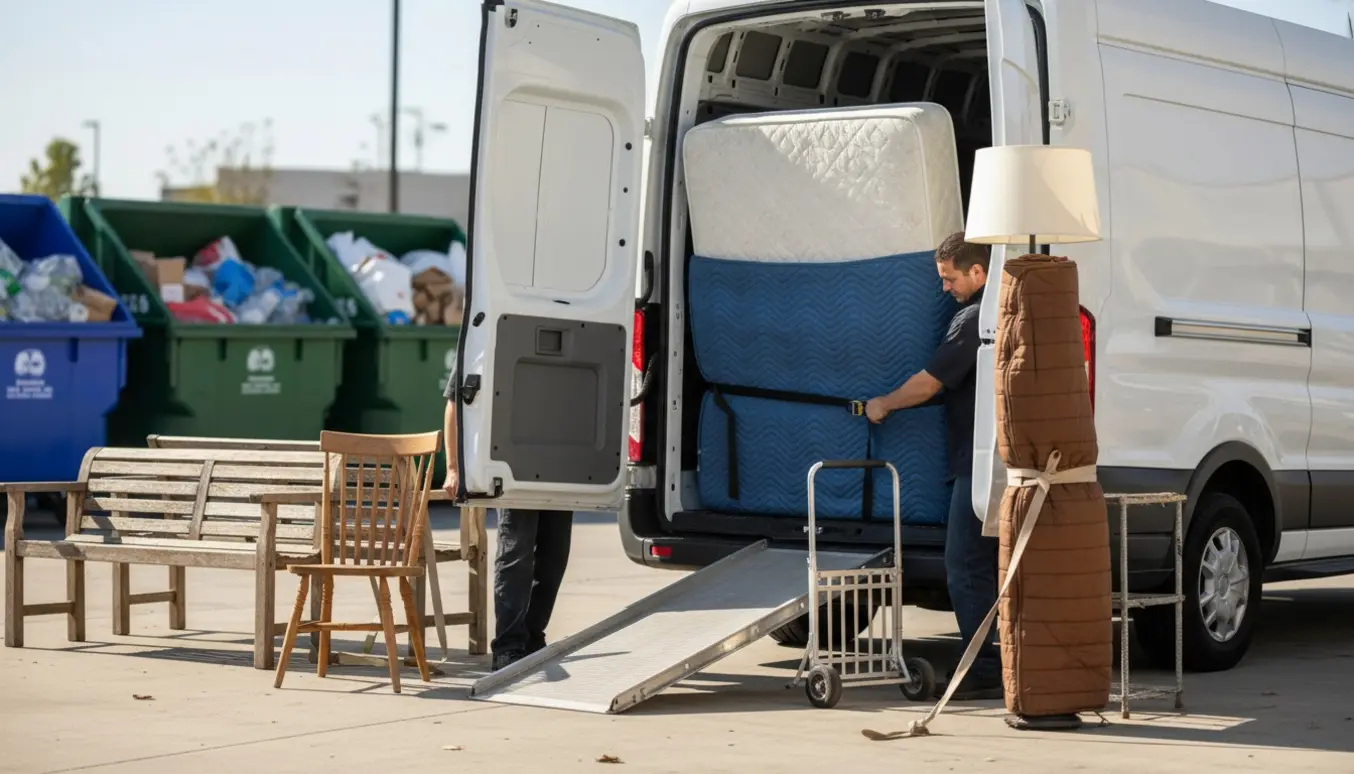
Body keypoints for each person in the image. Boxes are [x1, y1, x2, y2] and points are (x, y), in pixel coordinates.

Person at [864, 231, 1002, 701]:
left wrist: (884, 403)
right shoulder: (1000, 309)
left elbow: (929, 384)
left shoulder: (975, 318)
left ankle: (985, 668)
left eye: (949, 278)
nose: (945, 288)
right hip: (994, 456)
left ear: (977, 272)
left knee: (964, 563)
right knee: (982, 563)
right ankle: (997, 660)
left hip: (978, 460)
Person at [443, 373, 575, 672]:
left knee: (555, 556)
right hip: (511, 465)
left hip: (560, 464)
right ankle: (508, 646)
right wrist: (453, 467)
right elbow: (455, 403)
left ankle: (531, 637)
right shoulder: (487, 330)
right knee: (517, 553)